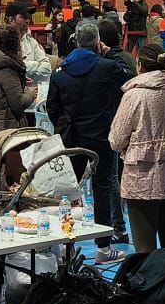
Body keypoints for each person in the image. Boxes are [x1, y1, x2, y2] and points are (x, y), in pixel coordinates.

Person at [49, 21, 133, 263]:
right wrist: (110, 55)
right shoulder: (107, 67)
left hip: (73, 137)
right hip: (101, 135)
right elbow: (129, 80)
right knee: (103, 188)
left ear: (76, 41)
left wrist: (65, 126)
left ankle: (63, 247)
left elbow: (52, 107)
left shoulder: (61, 71)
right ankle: (104, 248)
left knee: (67, 190)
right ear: (98, 42)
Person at [108, 48, 165, 253]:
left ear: (140, 66)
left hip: (142, 180)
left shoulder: (133, 96)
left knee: (144, 253)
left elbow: (116, 140)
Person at [0, 24, 36, 137]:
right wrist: (31, 93)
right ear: (14, 44)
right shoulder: (7, 69)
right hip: (5, 129)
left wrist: (20, 82)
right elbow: (18, 104)